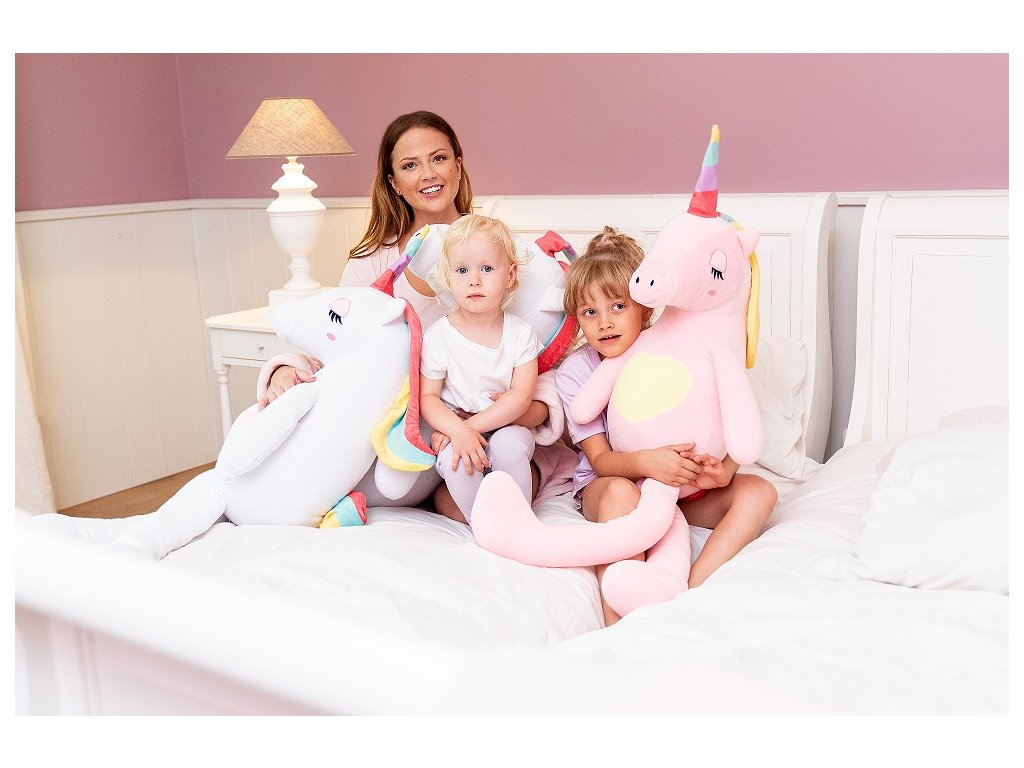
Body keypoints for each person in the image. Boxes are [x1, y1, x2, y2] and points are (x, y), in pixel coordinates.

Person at [255, 110, 574, 515]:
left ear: (458, 165)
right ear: (393, 182)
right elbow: (335, 341)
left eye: (439, 158)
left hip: (495, 424)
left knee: (477, 495)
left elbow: (540, 353)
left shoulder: (496, 250)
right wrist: (285, 368)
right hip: (410, 432)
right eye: (410, 165)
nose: (428, 174)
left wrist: (516, 412)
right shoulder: (371, 263)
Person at [556, 227, 778, 626]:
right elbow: (601, 461)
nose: (604, 323)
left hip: (680, 487)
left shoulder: (682, 347)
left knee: (760, 492)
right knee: (621, 494)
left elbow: (724, 424)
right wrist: (648, 463)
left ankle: (691, 591)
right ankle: (618, 618)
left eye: (618, 306)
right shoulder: (577, 372)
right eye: (590, 312)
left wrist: (722, 470)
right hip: (610, 483)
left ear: (646, 308)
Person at [420, 215, 540, 523]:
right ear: (449, 277)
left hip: (505, 426)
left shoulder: (520, 334)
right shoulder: (438, 337)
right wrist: (456, 430)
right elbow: (428, 397)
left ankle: (518, 522)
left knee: (508, 445)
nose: (474, 280)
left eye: (486, 269)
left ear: (510, 275)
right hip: (457, 428)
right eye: (462, 270)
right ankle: (484, 525)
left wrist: (469, 428)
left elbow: (521, 396)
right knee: (454, 456)